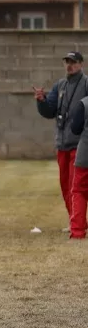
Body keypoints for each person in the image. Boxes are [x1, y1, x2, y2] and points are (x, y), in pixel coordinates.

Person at [34, 51, 87, 231]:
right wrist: (41, 101)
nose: (69, 65)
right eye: (66, 62)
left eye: (73, 62)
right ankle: (75, 219)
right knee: (65, 184)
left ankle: (77, 222)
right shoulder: (60, 85)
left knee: (75, 184)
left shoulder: (86, 83)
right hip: (62, 143)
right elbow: (49, 111)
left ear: (81, 64)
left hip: (79, 143)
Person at [68, 93, 88, 239]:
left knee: (79, 192)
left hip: (85, 156)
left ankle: (78, 231)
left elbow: (75, 129)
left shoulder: (84, 104)